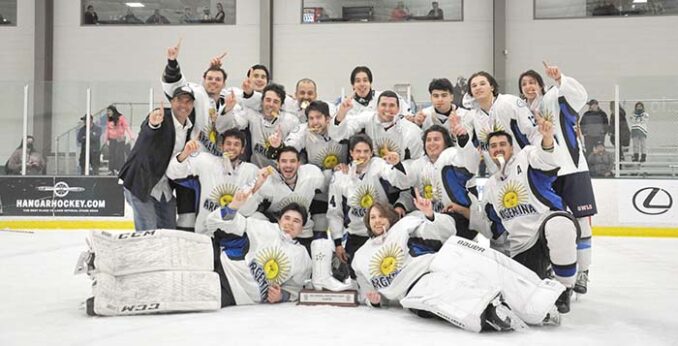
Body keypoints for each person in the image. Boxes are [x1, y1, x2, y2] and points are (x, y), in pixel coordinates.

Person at [82, 191, 312, 316]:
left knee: (170, 289)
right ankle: (107, 256)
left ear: (303, 228)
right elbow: (222, 222)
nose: (290, 224)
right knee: (163, 252)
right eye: (287, 218)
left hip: (232, 291)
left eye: (297, 221)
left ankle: (107, 298)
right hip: (215, 257)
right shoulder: (262, 226)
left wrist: (281, 296)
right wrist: (232, 208)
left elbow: (296, 289)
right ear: (279, 219)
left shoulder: (302, 257)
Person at [352, 200, 564, 332]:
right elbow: (365, 289)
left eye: (381, 216)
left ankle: (539, 302)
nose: (377, 221)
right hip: (413, 288)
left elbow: (445, 231)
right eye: (372, 217)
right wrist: (374, 300)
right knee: (441, 293)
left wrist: (430, 216)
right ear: (368, 222)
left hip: (433, 263)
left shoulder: (404, 225)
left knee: (481, 261)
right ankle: (490, 312)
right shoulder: (360, 256)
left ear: (389, 218)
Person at [457, 127, 579, 314]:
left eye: (503, 144)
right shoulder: (490, 186)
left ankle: (565, 288)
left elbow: (547, 160)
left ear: (511, 147)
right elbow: (493, 228)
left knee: (559, 225)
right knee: (523, 300)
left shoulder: (526, 157)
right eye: (493, 146)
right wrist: (462, 211)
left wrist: (547, 138)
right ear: (488, 151)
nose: (498, 149)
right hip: (523, 247)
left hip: (546, 224)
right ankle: (545, 274)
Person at [519, 64, 596, 296]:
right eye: (524, 84)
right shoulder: (522, 110)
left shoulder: (555, 96)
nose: (528, 87)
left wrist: (560, 78)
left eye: (532, 82)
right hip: (545, 174)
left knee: (581, 221)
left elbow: (579, 96)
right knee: (554, 224)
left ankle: (583, 272)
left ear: (541, 85)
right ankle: (558, 269)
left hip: (572, 169)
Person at [327, 134, 410, 278]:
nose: (362, 155)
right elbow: (335, 213)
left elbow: (399, 181)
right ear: (351, 153)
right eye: (358, 151)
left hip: (384, 233)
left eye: (366, 151)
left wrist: (396, 164)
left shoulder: (378, 165)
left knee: (387, 275)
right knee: (357, 277)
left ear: (371, 153)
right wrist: (338, 242)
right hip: (356, 235)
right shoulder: (340, 176)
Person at [119, 87, 195, 231]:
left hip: (164, 187)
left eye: (188, 101)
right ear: (171, 102)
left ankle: (164, 254)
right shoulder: (161, 117)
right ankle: (145, 253)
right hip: (141, 183)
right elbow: (148, 131)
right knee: (148, 230)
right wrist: (153, 124)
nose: (184, 105)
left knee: (169, 231)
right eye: (179, 100)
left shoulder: (189, 127)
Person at [166, 129, 258, 235]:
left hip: (234, 237)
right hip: (206, 234)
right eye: (228, 143)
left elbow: (251, 208)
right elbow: (172, 173)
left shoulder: (251, 171)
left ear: (242, 150)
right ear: (222, 146)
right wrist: (185, 153)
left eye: (236, 144)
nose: (232, 147)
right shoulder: (206, 162)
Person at [462, 71, 539, 175]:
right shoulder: (472, 116)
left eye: (482, 83)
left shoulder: (510, 102)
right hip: (497, 176)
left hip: (526, 170)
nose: (478, 87)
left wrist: (538, 161)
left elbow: (533, 132)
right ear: (470, 92)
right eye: (474, 86)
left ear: (492, 87)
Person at [226, 83, 300, 168]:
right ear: (262, 101)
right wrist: (227, 110)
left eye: (276, 102)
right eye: (268, 100)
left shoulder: (291, 121)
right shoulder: (253, 116)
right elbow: (233, 124)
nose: (271, 104)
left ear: (281, 105)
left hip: (282, 173)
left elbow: (295, 150)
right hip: (256, 170)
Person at [104, 105, 135, 175]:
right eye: (107, 111)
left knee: (119, 154)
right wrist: (106, 139)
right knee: (112, 154)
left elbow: (126, 126)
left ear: (113, 111)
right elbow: (107, 130)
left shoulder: (121, 118)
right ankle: (111, 169)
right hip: (112, 139)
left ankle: (120, 169)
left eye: (109, 111)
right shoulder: (109, 120)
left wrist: (131, 136)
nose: (108, 113)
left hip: (120, 138)